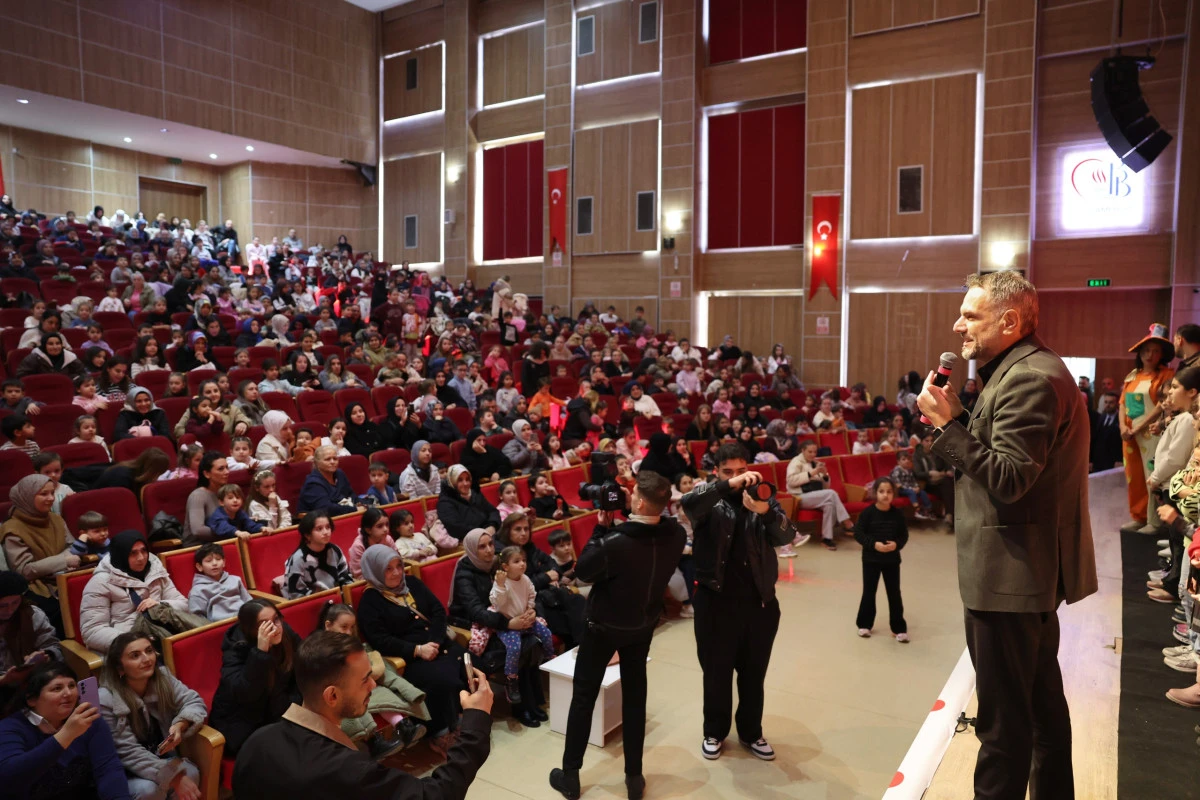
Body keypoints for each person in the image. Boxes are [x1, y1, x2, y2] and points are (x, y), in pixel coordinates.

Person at [916, 270, 1097, 800]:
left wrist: (948, 430)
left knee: (1002, 725)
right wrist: (958, 418)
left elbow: (1011, 478)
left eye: (971, 315)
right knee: (1040, 706)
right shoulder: (1022, 369)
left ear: (1010, 320)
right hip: (1025, 571)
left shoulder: (1028, 377)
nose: (958, 326)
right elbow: (1008, 453)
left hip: (1010, 575)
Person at [548, 472, 686, 800]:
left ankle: (570, 776)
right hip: (642, 627)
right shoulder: (676, 534)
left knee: (583, 698)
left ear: (638, 501)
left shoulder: (614, 542)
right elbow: (650, 526)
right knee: (635, 700)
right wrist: (627, 517)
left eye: (633, 493)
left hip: (603, 629)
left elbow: (583, 572)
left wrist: (600, 526)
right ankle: (634, 778)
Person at [232, 630, 493, 799]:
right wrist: (475, 720)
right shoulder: (344, 769)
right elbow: (436, 796)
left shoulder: (257, 742)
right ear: (332, 696)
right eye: (365, 679)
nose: (373, 685)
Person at [681, 442, 797, 762]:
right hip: (715, 604)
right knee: (716, 673)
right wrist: (725, 486)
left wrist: (766, 513)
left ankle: (751, 732)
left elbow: (787, 536)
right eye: (728, 472)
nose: (737, 478)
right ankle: (714, 732)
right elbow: (689, 505)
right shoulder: (707, 497)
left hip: (759, 604)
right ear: (717, 472)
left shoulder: (763, 497)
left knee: (753, 673)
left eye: (741, 471)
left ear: (750, 468)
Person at [356, 544, 470, 752]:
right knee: (442, 680)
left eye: (398, 566)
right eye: (388, 569)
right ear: (375, 571)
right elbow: (380, 640)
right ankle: (440, 733)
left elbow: (437, 611)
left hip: (437, 645)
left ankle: (461, 720)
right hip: (408, 659)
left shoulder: (413, 583)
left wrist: (434, 642)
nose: (397, 573)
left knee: (469, 664)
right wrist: (417, 650)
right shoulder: (370, 601)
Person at [98, 632, 206, 800]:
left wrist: (180, 724)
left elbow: (194, 701)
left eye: (149, 651)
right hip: (125, 770)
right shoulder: (106, 698)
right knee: (148, 789)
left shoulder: (163, 677)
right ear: (119, 668)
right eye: (135, 655)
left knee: (190, 772)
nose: (147, 658)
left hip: (159, 756)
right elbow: (127, 752)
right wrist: (173, 776)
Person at [0, 661, 131, 799]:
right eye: (57, 688)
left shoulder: (91, 721)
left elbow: (108, 770)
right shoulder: (9, 728)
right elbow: (9, 778)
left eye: (72, 685)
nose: (68, 693)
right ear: (31, 699)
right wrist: (67, 734)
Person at [209, 599, 301, 757]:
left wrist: (296, 705)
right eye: (264, 624)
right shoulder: (236, 647)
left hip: (276, 714)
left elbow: (304, 667)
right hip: (241, 724)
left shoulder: (284, 632)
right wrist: (260, 652)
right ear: (251, 629)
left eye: (276, 619)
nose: (274, 627)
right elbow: (246, 693)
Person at [79, 531, 194, 654]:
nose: (141, 558)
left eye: (144, 550)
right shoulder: (100, 582)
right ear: (121, 555)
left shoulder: (156, 571)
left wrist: (159, 604)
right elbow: (92, 631)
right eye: (133, 553)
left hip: (164, 636)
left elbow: (184, 604)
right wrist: (134, 643)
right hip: (129, 648)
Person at [1, 475, 78, 631]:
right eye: (44, 494)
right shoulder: (12, 528)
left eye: (52, 493)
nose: (50, 498)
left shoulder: (56, 519)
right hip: (37, 587)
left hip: (65, 576)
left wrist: (65, 561)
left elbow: (72, 547)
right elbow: (24, 570)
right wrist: (64, 561)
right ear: (27, 497)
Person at [1119, 323, 1176, 534]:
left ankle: (1154, 520)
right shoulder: (1132, 376)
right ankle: (1138, 515)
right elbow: (1122, 404)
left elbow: (1163, 404)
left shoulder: (1166, 375)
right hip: (1130, 436)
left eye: (1155, 351)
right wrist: (1123, 427)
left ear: (1162, 354)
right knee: (1133, 476)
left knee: (1152, 476)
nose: (1149, 355)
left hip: (1152, 433)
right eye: (1146, 350)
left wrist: (1138, 427)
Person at [852, 477, 909, 640]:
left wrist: (896, 545)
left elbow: (903, 535)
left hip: (892, 560)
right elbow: (859, 533)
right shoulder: (868, 513)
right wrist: (874, 544)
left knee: (894, 593)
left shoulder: (897, 514)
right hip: (871, 560)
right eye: (882, 491)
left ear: (893, 494)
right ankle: (864, 624)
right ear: (875, 493)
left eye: (889, 492)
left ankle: (898, 628)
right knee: (869, 592)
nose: (885, 495)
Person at [0, 571, 62, 713]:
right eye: (3, 606)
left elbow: (53, 646)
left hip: (33, 678)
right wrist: (5, 679)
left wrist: (47, 655)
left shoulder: (31, 614)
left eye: (15, 602)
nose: (10, 610)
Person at [784, 441, 853, 551]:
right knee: (831, 493)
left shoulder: (815, 463)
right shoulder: (795, 462)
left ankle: (827, 539)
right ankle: (846, 522)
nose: (813, 454)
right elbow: (790, 481)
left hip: (813, 495)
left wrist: (825, 474)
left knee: (829, 504)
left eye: (815, 452)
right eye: (809, 452)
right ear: (803, 451)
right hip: (798, 497)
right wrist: (812, 473)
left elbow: (825, 486)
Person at [282, 512, 353, 599]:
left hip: (337, 599)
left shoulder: (335, 550)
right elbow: (296, 593)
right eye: (319, 529)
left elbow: (345, 576)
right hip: (312, 603)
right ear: (307, 535)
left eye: (328, 527)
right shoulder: (298, 559)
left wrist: (344, 595)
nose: (326, 532)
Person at [437, 465, 501, 543]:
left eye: (467, 479)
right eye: (460, 480)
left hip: (490, 534)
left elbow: (493, 511)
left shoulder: (475, 494)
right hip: (470, 541)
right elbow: (455, 528)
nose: (466, 483)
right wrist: (482, 533)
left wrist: (492, 526)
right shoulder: (445, 502)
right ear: (452, 481)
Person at [189, 542, 252, 621]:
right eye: (209, 561)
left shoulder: (235, 580)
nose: (215, 563)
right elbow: (197, 619)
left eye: (218, 559)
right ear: (199, 567)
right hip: (221, 625)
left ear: (224, 562)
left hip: (245, 619)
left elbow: (248, 602)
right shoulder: (198, 590)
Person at [298, 446, 359, 517]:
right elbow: (326, 509)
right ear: (317, 463)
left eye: (335, 459)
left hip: (344, 514)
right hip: (320, 522)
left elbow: (351, 494)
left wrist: (360, 503)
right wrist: (354, 509)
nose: (332, 462)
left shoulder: (340, 474)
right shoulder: (312, 483)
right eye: (328, 459)